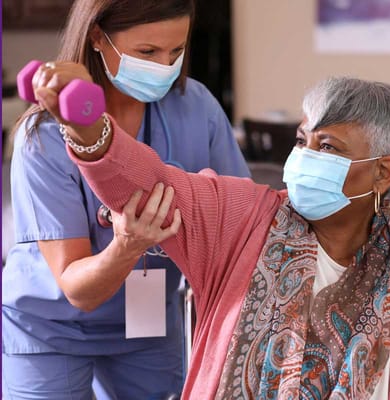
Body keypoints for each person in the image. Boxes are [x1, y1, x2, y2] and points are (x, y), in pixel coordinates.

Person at [30, 66, 390, 399]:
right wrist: (86, 125)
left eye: (327, 147)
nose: (304, 158)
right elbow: (150, 185)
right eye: (303, 140)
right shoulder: (241, 219)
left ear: (382, 173)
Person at [1, 0, 250, 398]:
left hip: (145, 321)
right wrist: (127, 246)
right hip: (51, 328)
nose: (164, 67)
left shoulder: (195, 107)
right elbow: (78, 290)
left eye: (176, 51)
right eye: (147, 53)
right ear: (98, 37)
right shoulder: (45, 135)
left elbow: (242, 218)